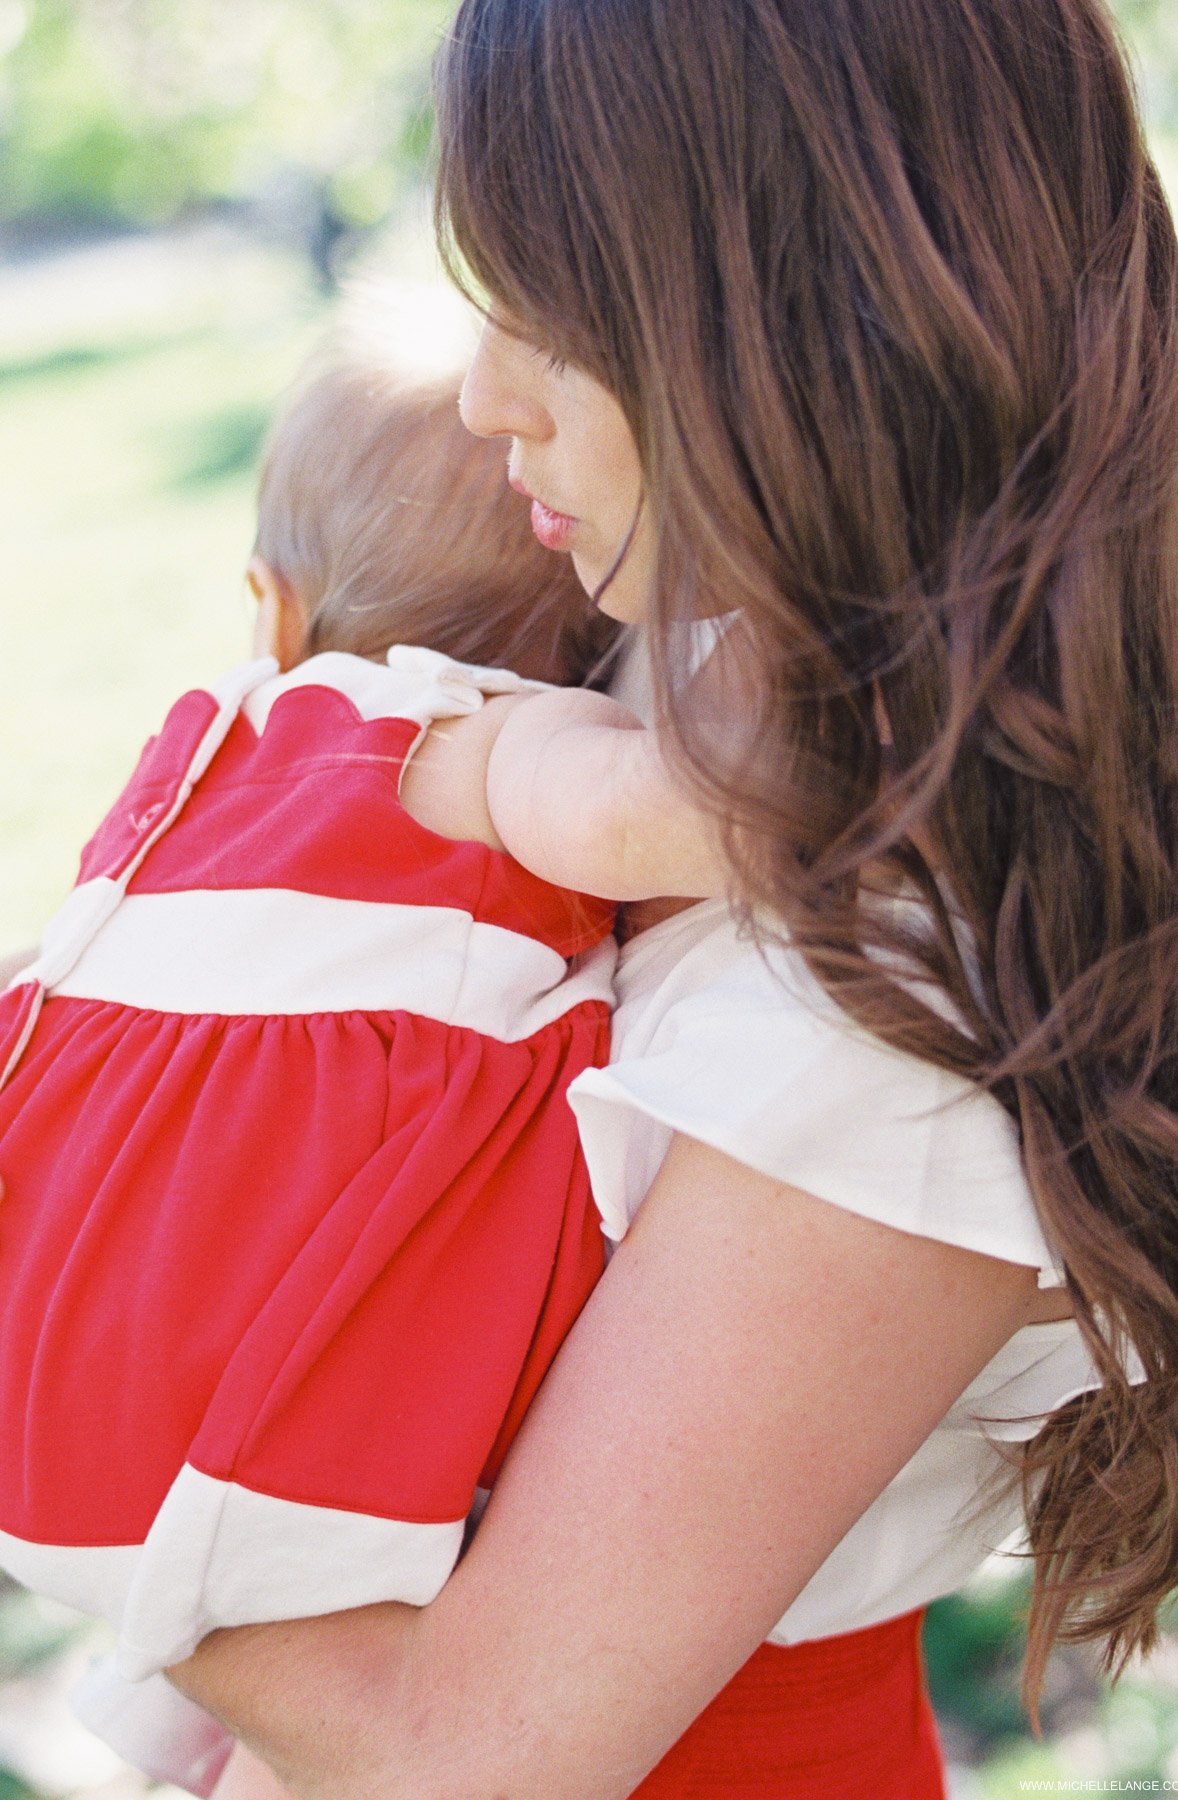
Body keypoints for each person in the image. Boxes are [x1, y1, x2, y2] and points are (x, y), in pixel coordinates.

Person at [154, 1, 1178, 1796]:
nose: (486, 399)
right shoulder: (679, 672)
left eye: (551, 307)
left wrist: (74, 1381)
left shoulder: (896, 1008)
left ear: (789, 314)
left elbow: (452, 1760)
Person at [0, 339, 734, 1792]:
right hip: (315, 1425)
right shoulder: (479, 738)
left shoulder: (204, 759)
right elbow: (643, 824)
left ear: (273, 611)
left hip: (77, 1382)